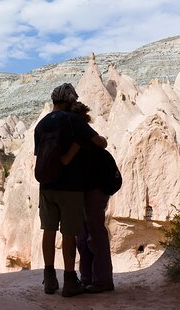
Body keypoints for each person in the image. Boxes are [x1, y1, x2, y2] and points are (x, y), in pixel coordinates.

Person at [34, 83, 107, 297]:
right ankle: (69, 280)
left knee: (48, 230)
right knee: (69, 234)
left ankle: (49, 278)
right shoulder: (73, 121)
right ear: (70, 101)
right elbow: (100, 143)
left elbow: (41, 155)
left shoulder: (41, 125)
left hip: (46, 186)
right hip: (70, 187)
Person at [69, 101, 115, 293]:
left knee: (94, 234)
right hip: (84, 190)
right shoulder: (80, 135)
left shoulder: (86, 135)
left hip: (94, 189)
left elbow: (101, 143)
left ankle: (103, 280)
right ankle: (88, 278)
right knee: (83, 236)